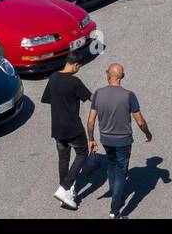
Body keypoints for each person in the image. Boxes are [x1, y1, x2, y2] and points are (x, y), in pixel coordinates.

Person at [86, 63, 153, 219]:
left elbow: (90, 120)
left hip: (106, 139)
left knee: (111, 164)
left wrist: (91, 138)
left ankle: (115, 192)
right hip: (123, 141)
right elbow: (140, 122)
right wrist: (148, 134)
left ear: (107, 75)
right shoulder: (129, 95)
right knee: (121, 172)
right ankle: (114, 212)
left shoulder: (98, 94)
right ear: (122, 77)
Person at [42, 54, 91, 211]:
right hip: (73, 128)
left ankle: (66, 193)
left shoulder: (54, 77)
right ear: (75, 65)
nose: (78, 70)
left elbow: (48, 99)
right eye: (79, 67)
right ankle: (65, 188)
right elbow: (91, 97)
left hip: (57, 128)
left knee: (63, 159)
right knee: (82, 153)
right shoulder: (74, 82)